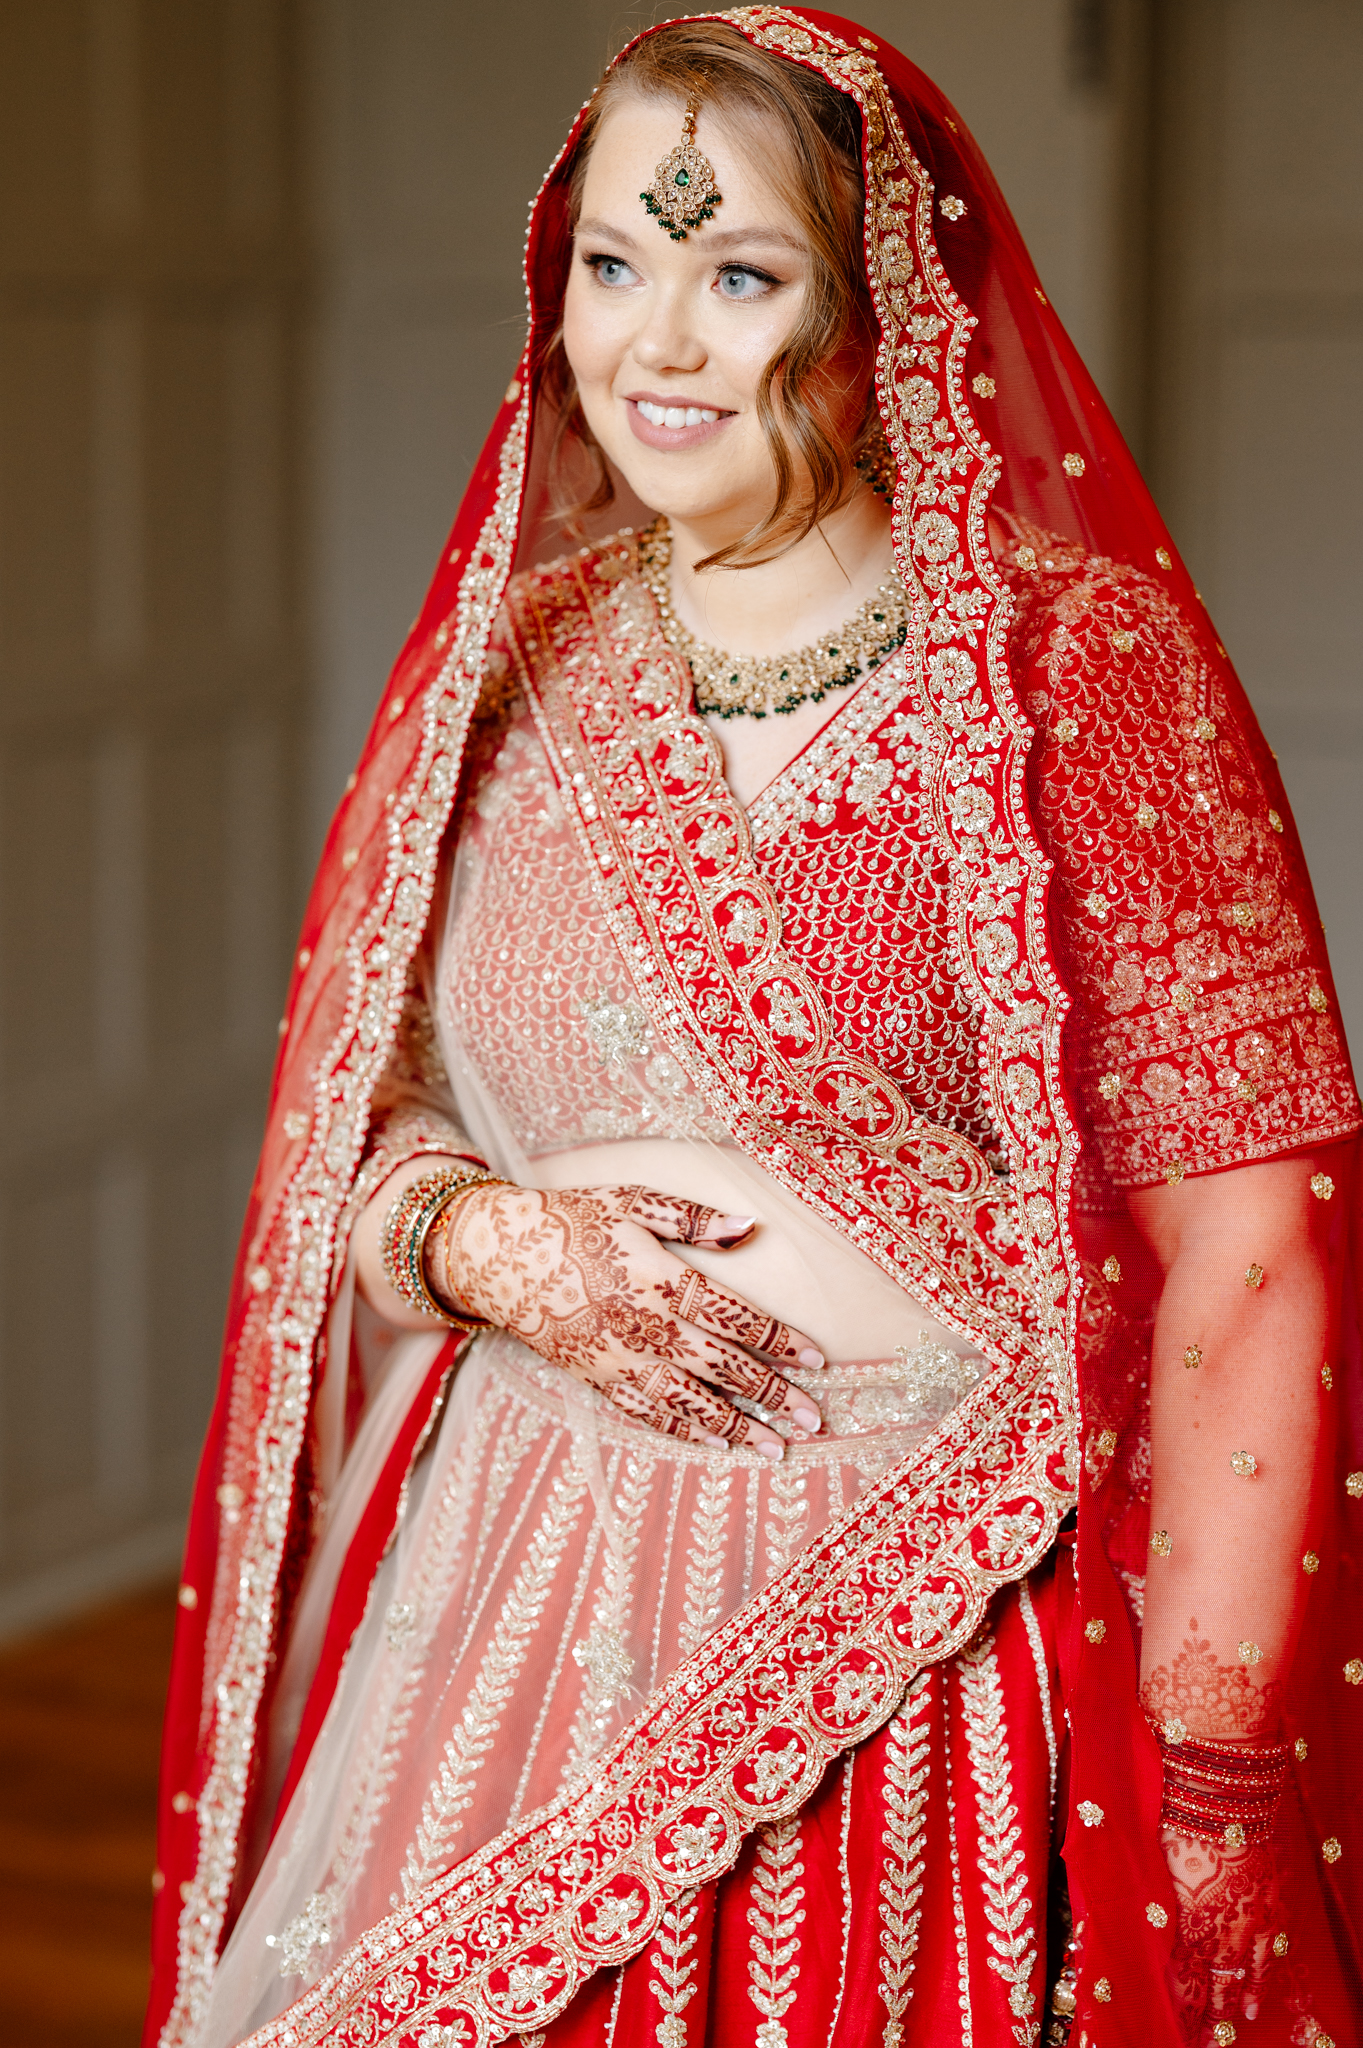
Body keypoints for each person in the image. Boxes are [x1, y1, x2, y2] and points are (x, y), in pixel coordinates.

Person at [144, 13, 1362, 2047]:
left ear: (879, 304)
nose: (658, 343)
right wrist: (484, 1243)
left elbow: (1253, 1248)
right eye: (615, 263)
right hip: (510, 1615)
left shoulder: (1076, 666)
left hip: (928, 1638)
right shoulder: (509, 669)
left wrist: (1215, 1763)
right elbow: (364, 1124)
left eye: (741, 273)